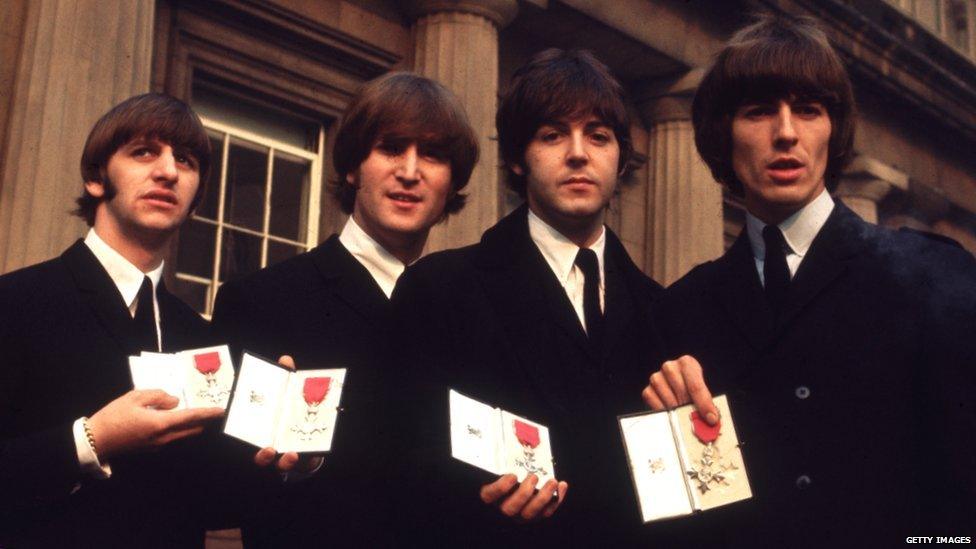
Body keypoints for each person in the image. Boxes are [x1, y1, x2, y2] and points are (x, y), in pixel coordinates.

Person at [642, 14, 976, 547]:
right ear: (722, 135)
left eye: (808, 110)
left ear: (833, 131)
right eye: (757, 112)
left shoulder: (932, 277)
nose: (786, 133)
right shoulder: (680, 311)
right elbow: (676, 511)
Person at [390, 48, 667, 545]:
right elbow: (400, 470)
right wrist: (478, 502)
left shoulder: (663, 308)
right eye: (552, 135)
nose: (578, 153)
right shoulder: (441, 289)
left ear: (621, 159)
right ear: (518, 158)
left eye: (598, 136)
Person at [209, 71, 479, 547]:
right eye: (392, 148)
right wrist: (296, 467)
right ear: (353, 166)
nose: (411, 171)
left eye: (433, 155)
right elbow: (220, 487)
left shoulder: (473, 310)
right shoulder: (261, 301)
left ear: (452, 181)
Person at [0, 93, 226, 546]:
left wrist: (285, 451)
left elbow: (208, 499)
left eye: (185, 161)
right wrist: (91, 439)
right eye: (144, 152)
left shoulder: (199, 336)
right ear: (96, 179)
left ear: (196, 200)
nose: (167, 171)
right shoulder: (13, 302)